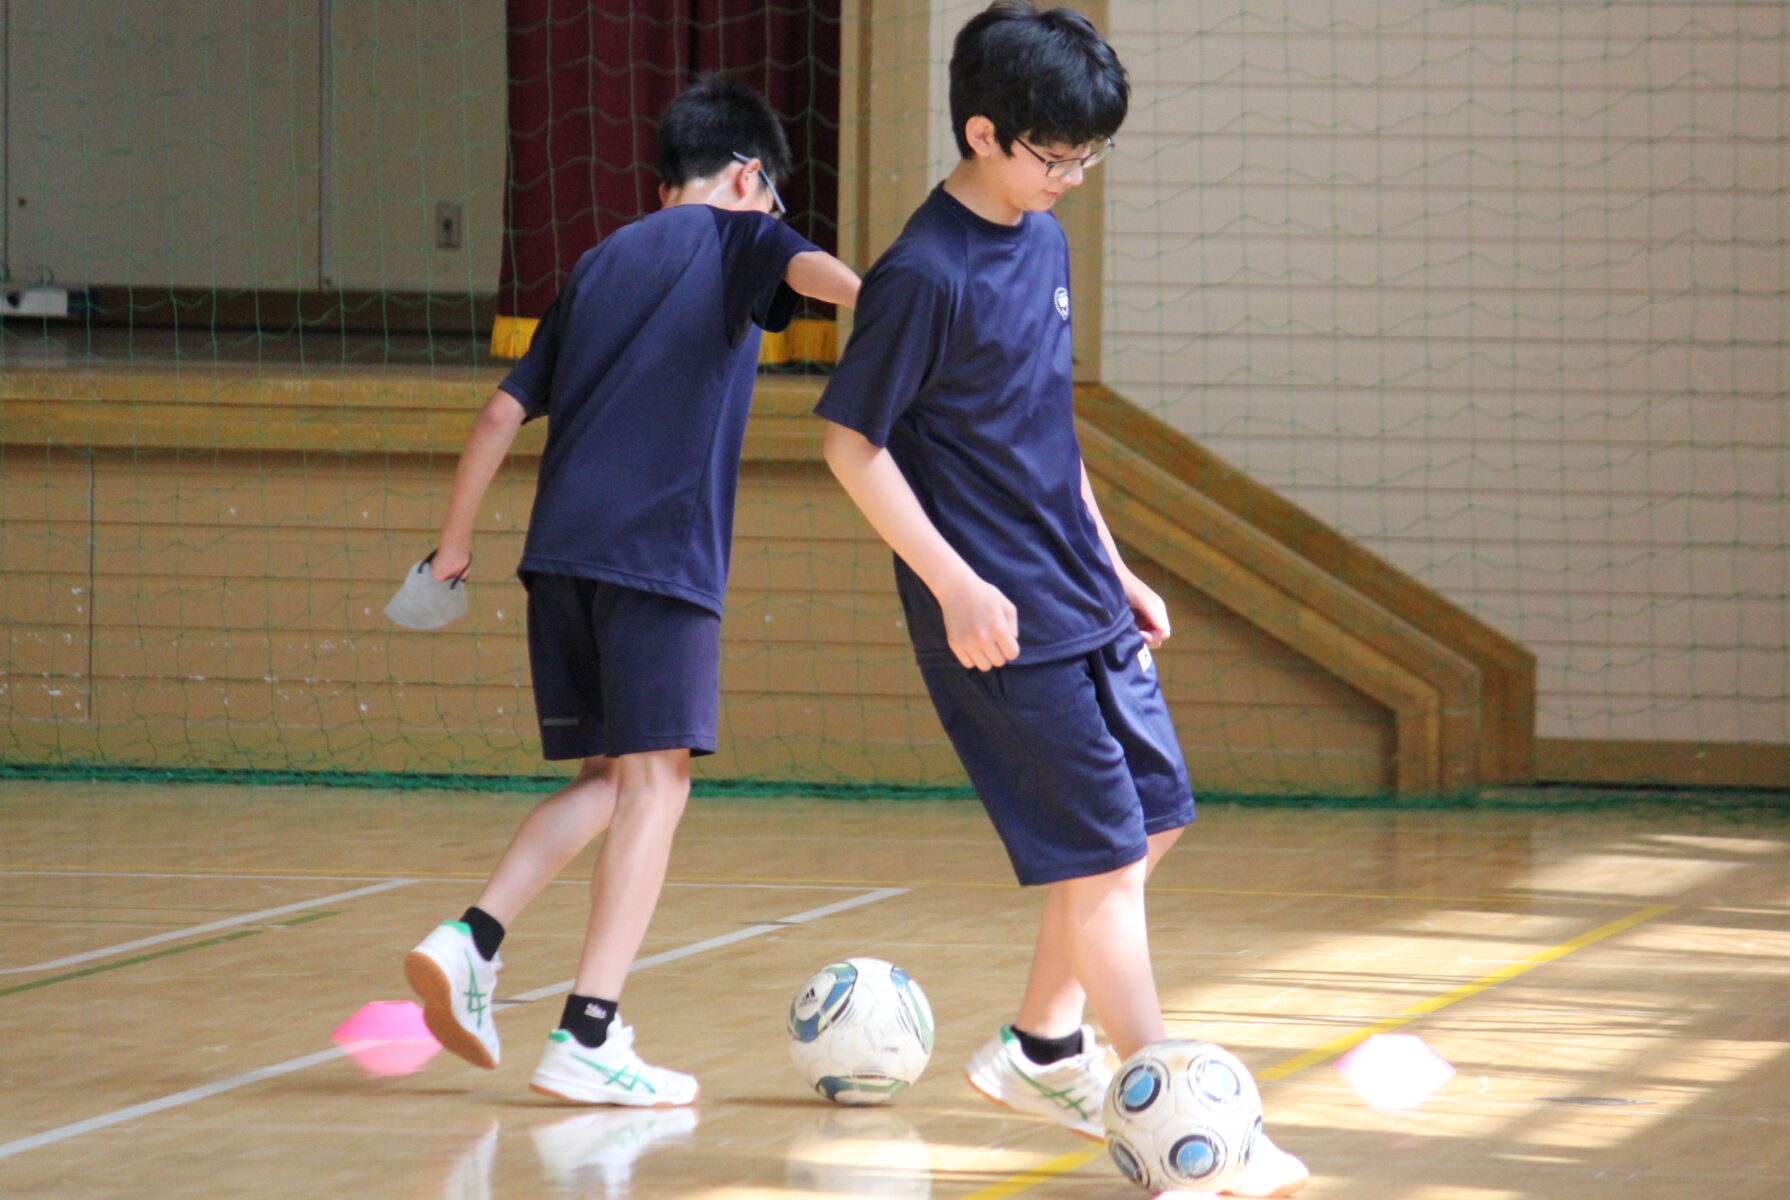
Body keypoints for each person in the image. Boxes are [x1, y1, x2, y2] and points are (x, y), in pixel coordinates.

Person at [813, 4, 1307, 1194]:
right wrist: (953, 583)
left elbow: (1043, 430)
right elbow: (849, 445)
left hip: (1080, 589)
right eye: (1057, 156)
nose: (1074, 179)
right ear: (983, 132)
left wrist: (1118, 562)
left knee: (1153, 823)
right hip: (998, 621)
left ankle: (1041, 1047)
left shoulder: (1040, 236)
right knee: (1099, 863)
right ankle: (1169, 1102)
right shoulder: (920, 275)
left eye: (1090, 157)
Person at [402, 75, 859, 1106]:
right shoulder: (743, 236)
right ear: (750, 176)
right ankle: (588, 1033)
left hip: (555, 560)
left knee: (608, 780)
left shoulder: (599, 264)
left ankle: (471, 940)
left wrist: (452, 551)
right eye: (772, 195)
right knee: (662, 785)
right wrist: (901, 307)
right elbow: (831, 282)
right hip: (659, 559)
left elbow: (494, 418)